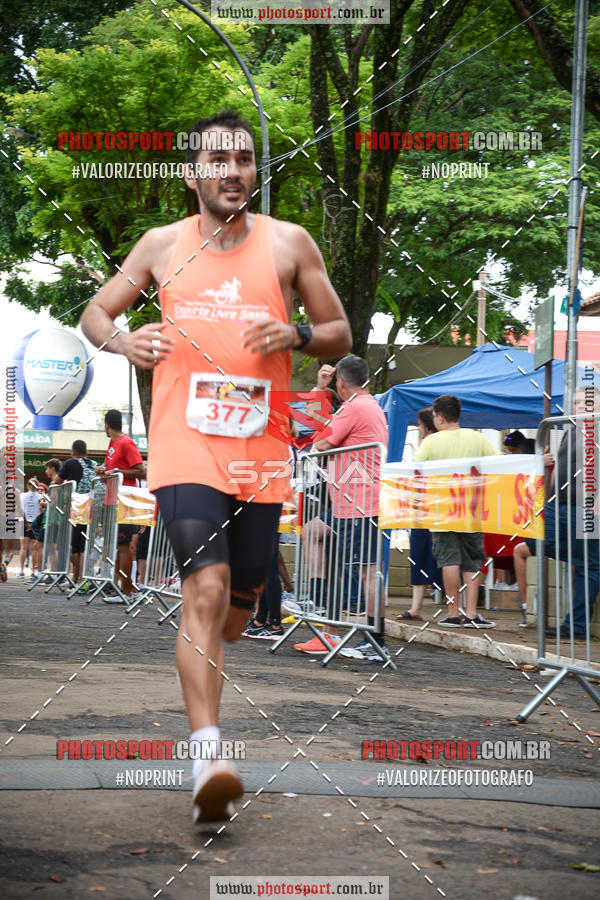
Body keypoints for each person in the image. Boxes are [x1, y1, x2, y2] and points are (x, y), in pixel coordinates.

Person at [80, 109, 351, 823]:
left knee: (234, 616)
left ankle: (214, 704)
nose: (234, 171)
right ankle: (207, 756)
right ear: (193, 171)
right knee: (205, 586)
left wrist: (294, 330)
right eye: (220, 160)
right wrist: (122, 343)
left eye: (246, 160)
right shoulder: (161, 246)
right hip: (184, 444)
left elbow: (338, 333)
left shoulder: (288, 243)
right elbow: (96, 314)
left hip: (259, 454)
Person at [294, 356, 389, 660]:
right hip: (349, 501)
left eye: (335, 383)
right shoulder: (367, 405)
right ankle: (323, 613)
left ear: (342, 384)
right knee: (312, 533)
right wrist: (321, 388)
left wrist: (322, 395)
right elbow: (320, 427)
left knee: (368, 572)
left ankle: (376, 640)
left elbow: (319, 442)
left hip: (357, 501)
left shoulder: (354, 408)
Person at [513, 387, 600, 637]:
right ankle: (583, 559)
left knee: (588, 566)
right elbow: (562, 466)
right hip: (557, 504)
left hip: (586, 508)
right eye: (576, 401)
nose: (580, 405)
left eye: (586, 401)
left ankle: (576, 627)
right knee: (537, 541)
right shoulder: (570, 430)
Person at [414, 394, 498, 628]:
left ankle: (453, 613)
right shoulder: (476, 438)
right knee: (472, 562)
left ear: (440, 417)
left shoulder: (431, 442)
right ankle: (471, 614)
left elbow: (415, 470)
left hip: (441, 512)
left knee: (448, 561)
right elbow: (498, 463)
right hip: (472, 511)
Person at [398, 407, 443, 621]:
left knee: (420, 554)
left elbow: (417, 471)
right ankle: (456, 608)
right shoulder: (441, 443)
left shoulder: (429, 444)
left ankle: (416, 607)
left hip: (424, 508)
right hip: (440, 508)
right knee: (440, 556)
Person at [95, 410, 145, 600]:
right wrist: (103, 471)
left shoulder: (126, 442)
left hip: (124, 500)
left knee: (124, 545)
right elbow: (111, 473)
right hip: (114, 499)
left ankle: (128, 591)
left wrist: (113, 471)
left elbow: (140, 471)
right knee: (119, 545)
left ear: (107, 425)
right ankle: (122, 589)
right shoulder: (113, 444)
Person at [53, 440, 97, 585]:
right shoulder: (94, 465)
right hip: (92, 509)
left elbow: (56, 482)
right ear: (87, 452)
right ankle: (79, 578)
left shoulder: (70, 463)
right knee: (84, 545)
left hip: (75, 509)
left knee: (72, 545)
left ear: (72, 452)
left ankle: (81, 577)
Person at [19, 480, 42, 580]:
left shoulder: (22, 495)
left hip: (24, 521)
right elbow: (41, 511)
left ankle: (21, 571)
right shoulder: (40, 497)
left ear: (28, 486)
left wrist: (26, 523)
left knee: (23, 548)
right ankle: (33, 571)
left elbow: (20, 510)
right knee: (34, 549)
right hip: (35, 523)